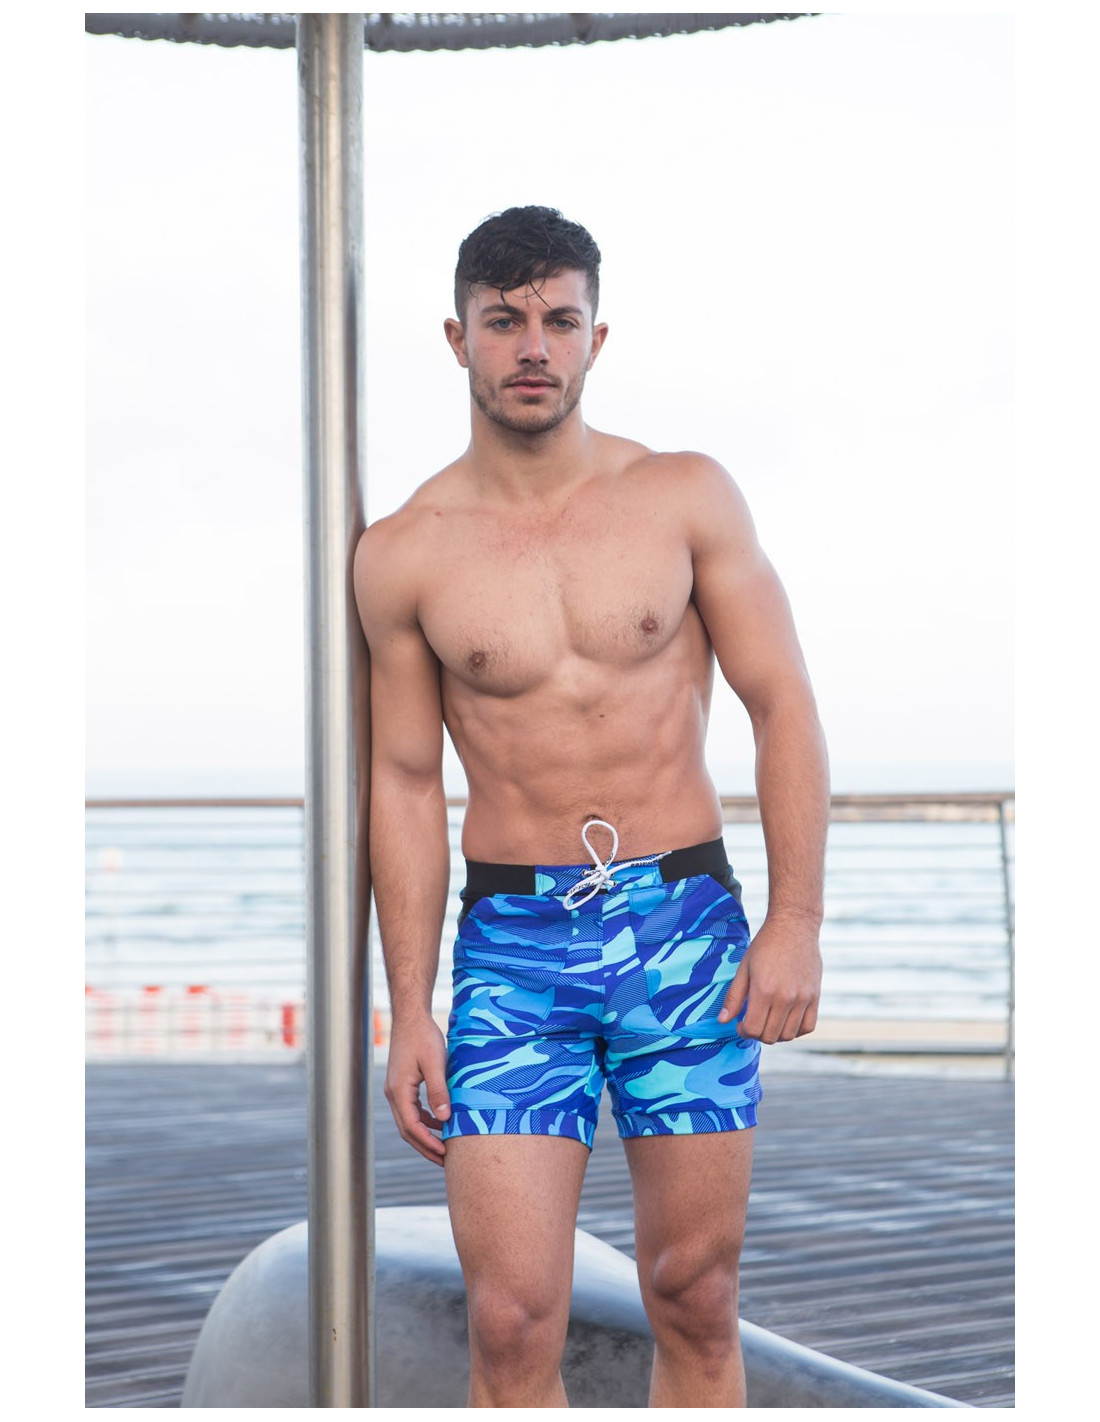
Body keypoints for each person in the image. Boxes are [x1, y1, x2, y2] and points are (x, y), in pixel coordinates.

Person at [353, 205, 829, 1409]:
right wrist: (409, 1007)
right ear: (455, 337)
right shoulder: (405, 551)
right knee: (509, 1319)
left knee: (694, 1291)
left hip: (683, 927)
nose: (532, 347)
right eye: (502, 320)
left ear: (594, 338)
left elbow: (781, 706)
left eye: (558, 321)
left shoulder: (682, 497)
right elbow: (403, 780)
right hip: (515, 948)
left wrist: (793, 924)